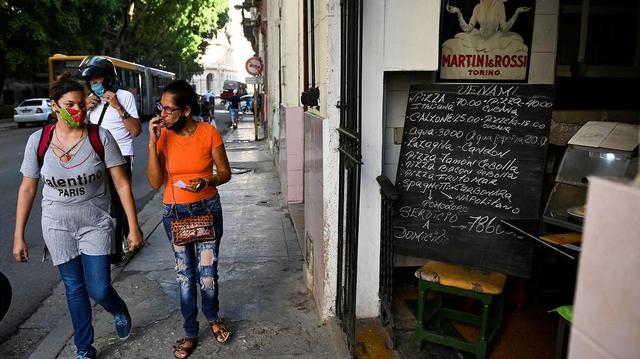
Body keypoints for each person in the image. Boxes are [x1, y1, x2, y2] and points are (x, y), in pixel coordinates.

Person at [12, 73, 143, 359]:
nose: (78, 110)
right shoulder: (39, 140)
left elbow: (121, 183)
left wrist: (133, 227)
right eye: (70, 104)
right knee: (73, 288)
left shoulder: (100, 136)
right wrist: (18, 235)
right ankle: (84, 347)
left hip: (95, 222)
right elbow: (27, 188)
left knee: (99, 288)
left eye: (82, 105)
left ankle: (117, 308)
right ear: (54, 106)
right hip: (57, 225)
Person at [147, 80, 232, 358]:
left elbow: (225, 173)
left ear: (185, 111)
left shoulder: (208, 132)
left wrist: (205, 180)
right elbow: (155, 182)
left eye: (168, 109)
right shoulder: (163, 135)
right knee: (185, 277)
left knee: (207, 276)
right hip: (175, 212)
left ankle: (213, 316)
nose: (162, 113)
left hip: (206, 208)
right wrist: (151, 143)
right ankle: (190, 331)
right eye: (161, 107)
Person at [80, 56, 142, 264]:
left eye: (98, 79)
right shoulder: (87, 101)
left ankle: (116, 252)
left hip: (121, 154)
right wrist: (83, 110)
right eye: (91, 81)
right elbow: (72, 127)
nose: (94, 84)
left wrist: (118, 107)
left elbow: (135, 131)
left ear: (108, 79)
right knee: (99, 202)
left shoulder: (124, 97)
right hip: (95, 155)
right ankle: (129, 230)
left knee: (117, 202)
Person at [444, 0, 531, 54]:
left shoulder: (499, 5)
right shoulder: (478, 7)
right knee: (451, 45)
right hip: (478, 39)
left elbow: (504, 28)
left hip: (495, 39)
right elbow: (467, 28)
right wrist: (458, 13)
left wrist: (516, 13)